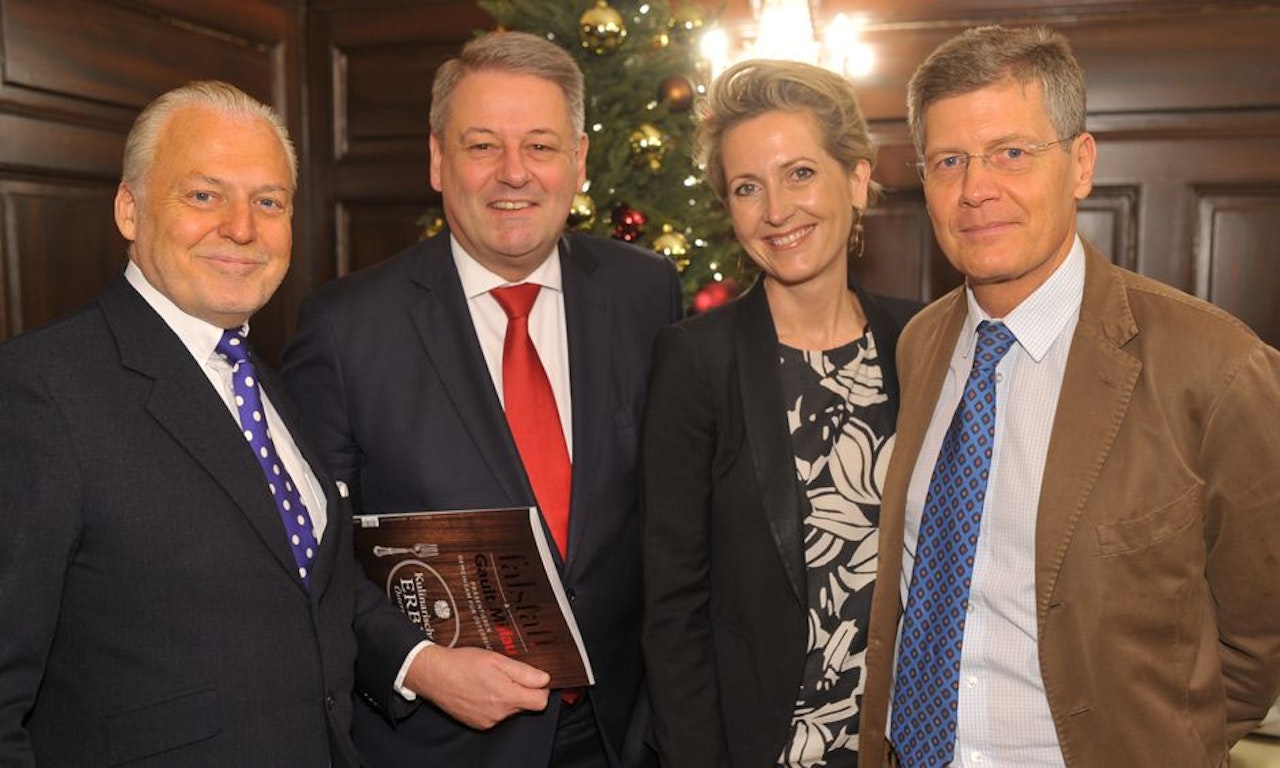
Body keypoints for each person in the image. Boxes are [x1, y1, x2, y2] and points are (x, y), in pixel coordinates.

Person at [859, 25, 1280, 768]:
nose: (975, 189)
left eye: (1011, 153)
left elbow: (1258, 639)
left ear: (1081, 164)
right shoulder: (920, 343)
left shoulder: (1215, 366)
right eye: (949, 160)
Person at [280, 30, 683, 768]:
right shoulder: (347, 329)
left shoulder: (646, 293)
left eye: (540, 146)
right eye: (482, 146)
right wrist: (418, 665)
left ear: (579, 160)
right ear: (438, 159)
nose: (514, 172)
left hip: (624, 732)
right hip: (443, 744)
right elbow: (309, 547)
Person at [0, 81, 432, 766]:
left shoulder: (262, 382)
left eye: (269, 202)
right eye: (204, 195)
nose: (241, 227)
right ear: (130, 209)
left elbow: (301, 592)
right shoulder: (38, 391)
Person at [641, 59, 921, 768]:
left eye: (800, 173)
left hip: (904, 743)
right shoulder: (697, 360)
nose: (775, 210)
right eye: (747, 187)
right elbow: (672, 606)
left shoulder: (920, 342)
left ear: (855, 180)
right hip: (763, 750)